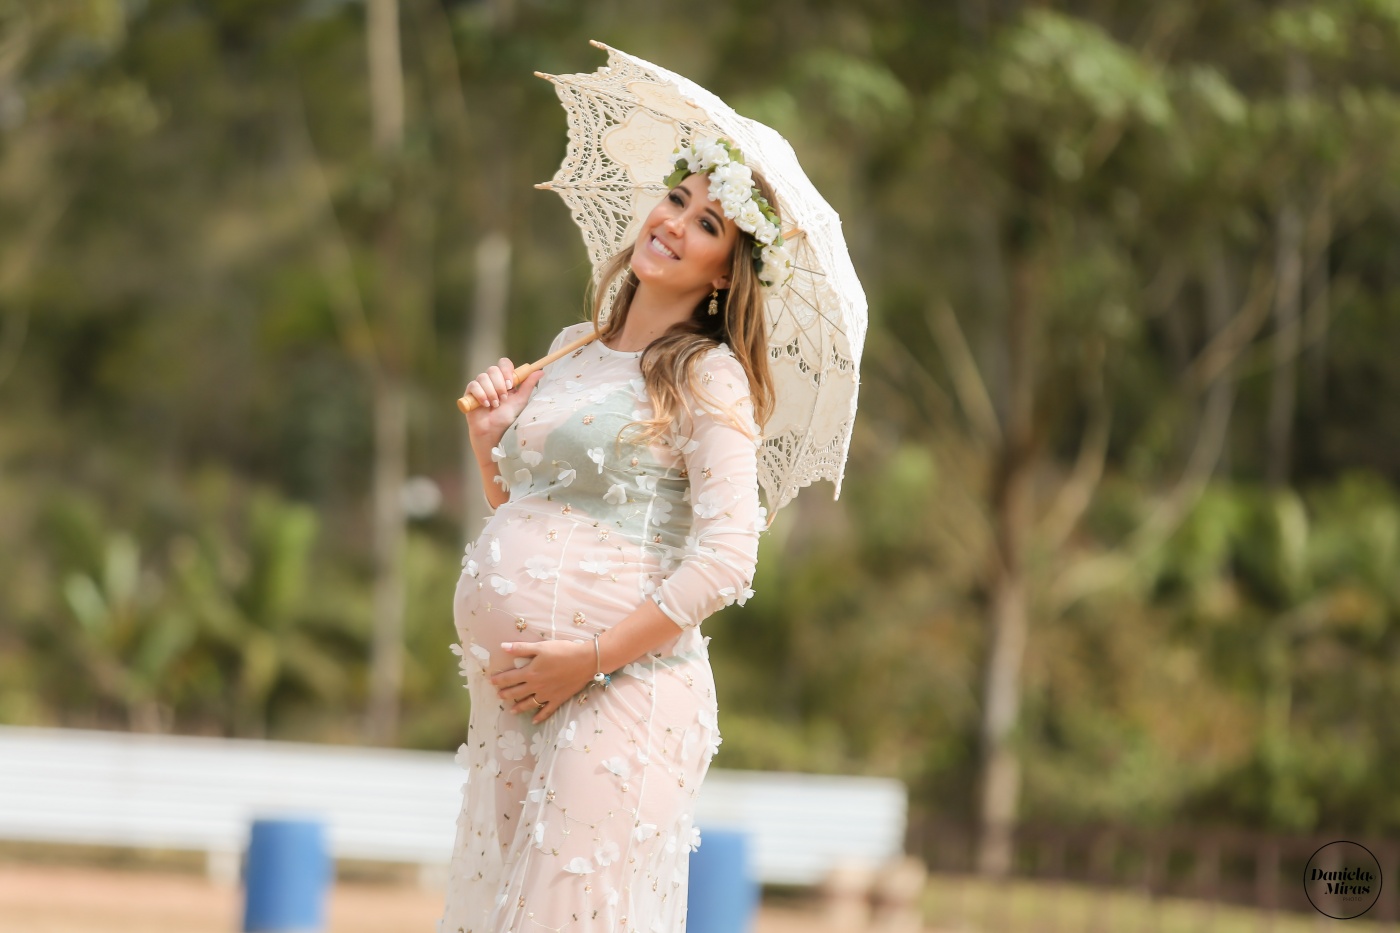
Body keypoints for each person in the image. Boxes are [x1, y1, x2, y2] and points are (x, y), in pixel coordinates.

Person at [439, 139, 785, 933]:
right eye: (677, 199)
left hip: (623, 689)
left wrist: (590, 657)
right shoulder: (574, 345)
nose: (676, 223)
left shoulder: (707, 375)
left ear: (724, 275)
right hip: (519, 696)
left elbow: (729, 558)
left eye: (708, 224)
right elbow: (528, 509)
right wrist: (490, 440)